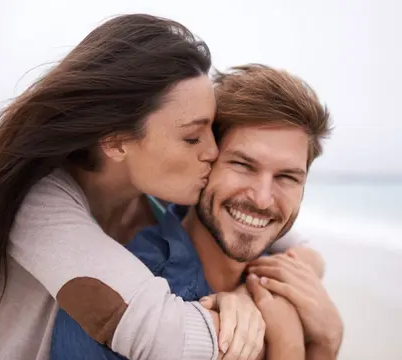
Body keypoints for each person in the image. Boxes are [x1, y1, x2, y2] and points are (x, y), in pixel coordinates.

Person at [0, 14, 310, 360]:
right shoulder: (40, 208)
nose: (213, 150)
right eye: (192, 138)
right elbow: (163, 340)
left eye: (212, 130)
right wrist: (276, 330)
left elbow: (292, 246)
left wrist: (245, 294)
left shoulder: (159, 188)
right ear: (117, 141)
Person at [50, 65, 343, 360]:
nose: (263, 199)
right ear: (205, 163)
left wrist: (326, 341)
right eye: (242, 165)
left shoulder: (286, 282)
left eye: (287, 177)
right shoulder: (125, 301)